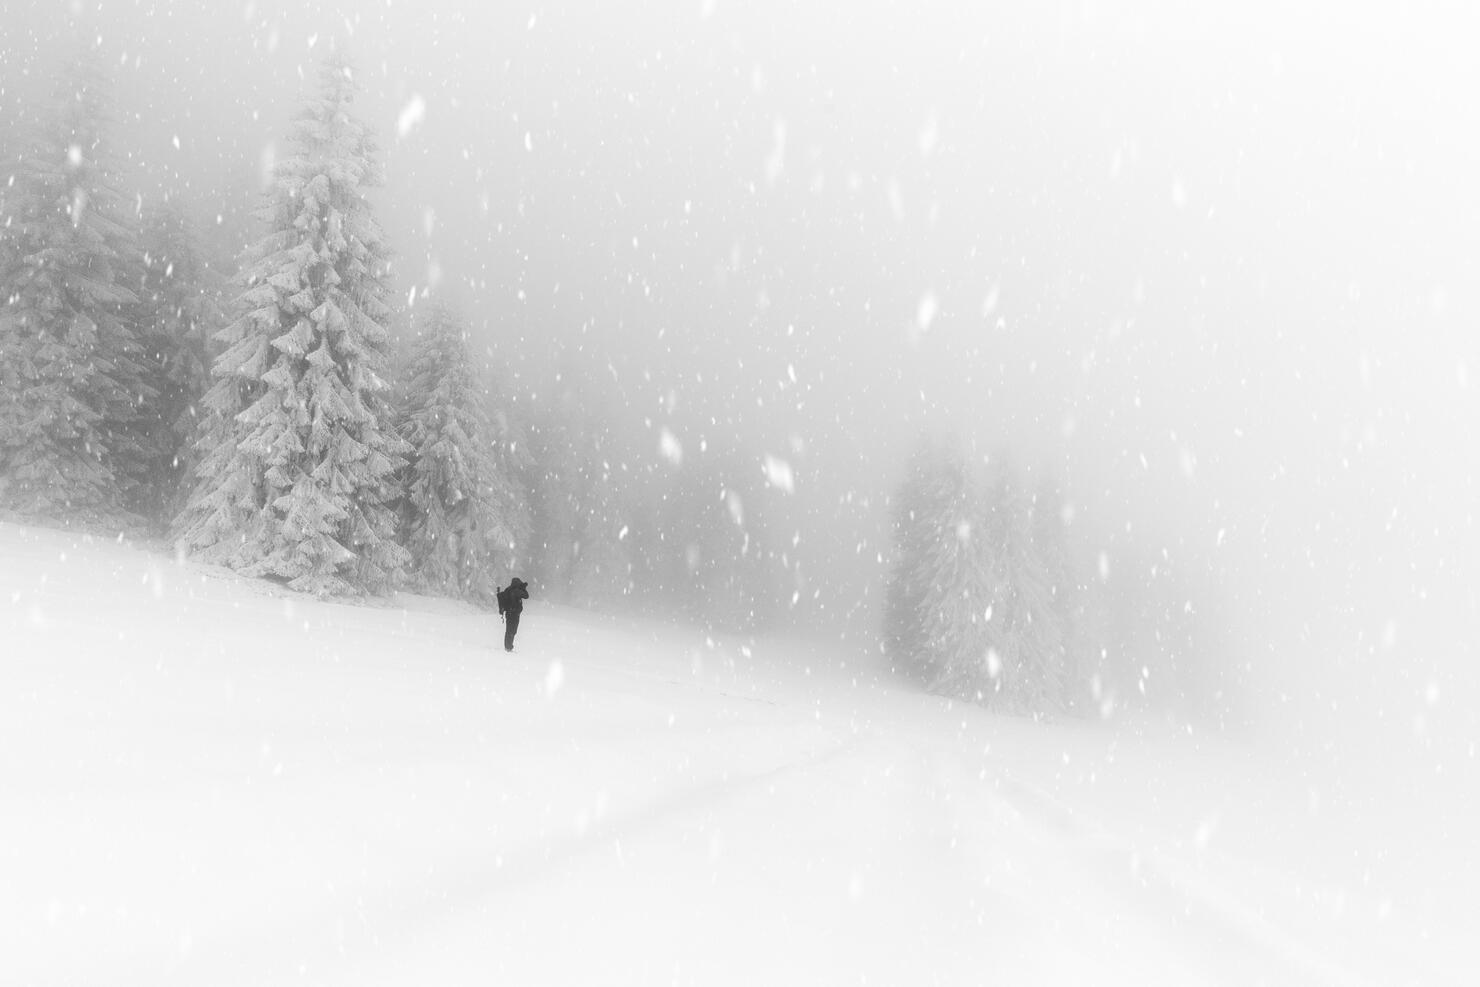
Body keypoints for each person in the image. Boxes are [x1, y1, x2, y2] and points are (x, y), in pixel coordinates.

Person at [497, 577, 529, 652]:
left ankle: (507, 646)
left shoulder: (508, 590)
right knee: (512, 630)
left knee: (509, 630)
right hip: (514, 614)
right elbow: (526, 596)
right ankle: (508, 647)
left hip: (509, 613)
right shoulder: (516, 591)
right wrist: (524, 588)